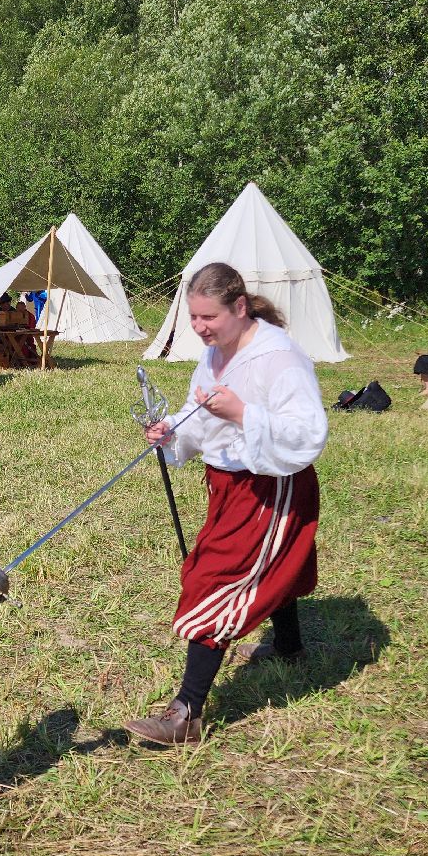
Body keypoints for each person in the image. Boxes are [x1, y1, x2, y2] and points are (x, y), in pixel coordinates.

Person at [122, 262, 328, 746]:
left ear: (239, 307)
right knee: (274, 566)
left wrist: (242, 413)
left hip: (269, 484)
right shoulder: (215, 353)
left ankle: (186, 713)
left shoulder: (279, 357)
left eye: (207, 317)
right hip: (228, 483)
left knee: (212, 577)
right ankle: (291, 646)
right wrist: (170, 429)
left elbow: (308, 432)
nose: (198, 328)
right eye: (193, 317)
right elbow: (201, 417)